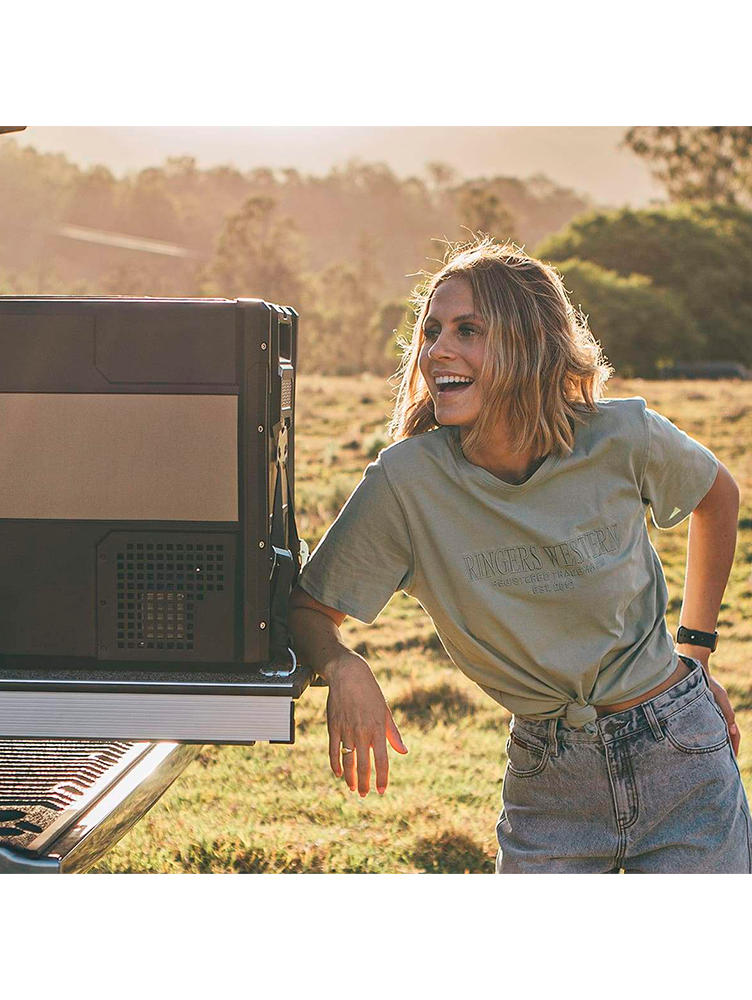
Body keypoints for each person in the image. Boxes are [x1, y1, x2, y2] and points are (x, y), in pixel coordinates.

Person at [288, 238, 750, 874]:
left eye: (468, 330)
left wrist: (694, 653)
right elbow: (308, 610)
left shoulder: (621, 435)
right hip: (549, 781)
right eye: (431, 331)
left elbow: (717, 496)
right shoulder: (406, 483)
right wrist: (341, 667)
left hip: (681, 755)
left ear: (530, 344)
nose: (436, 351)